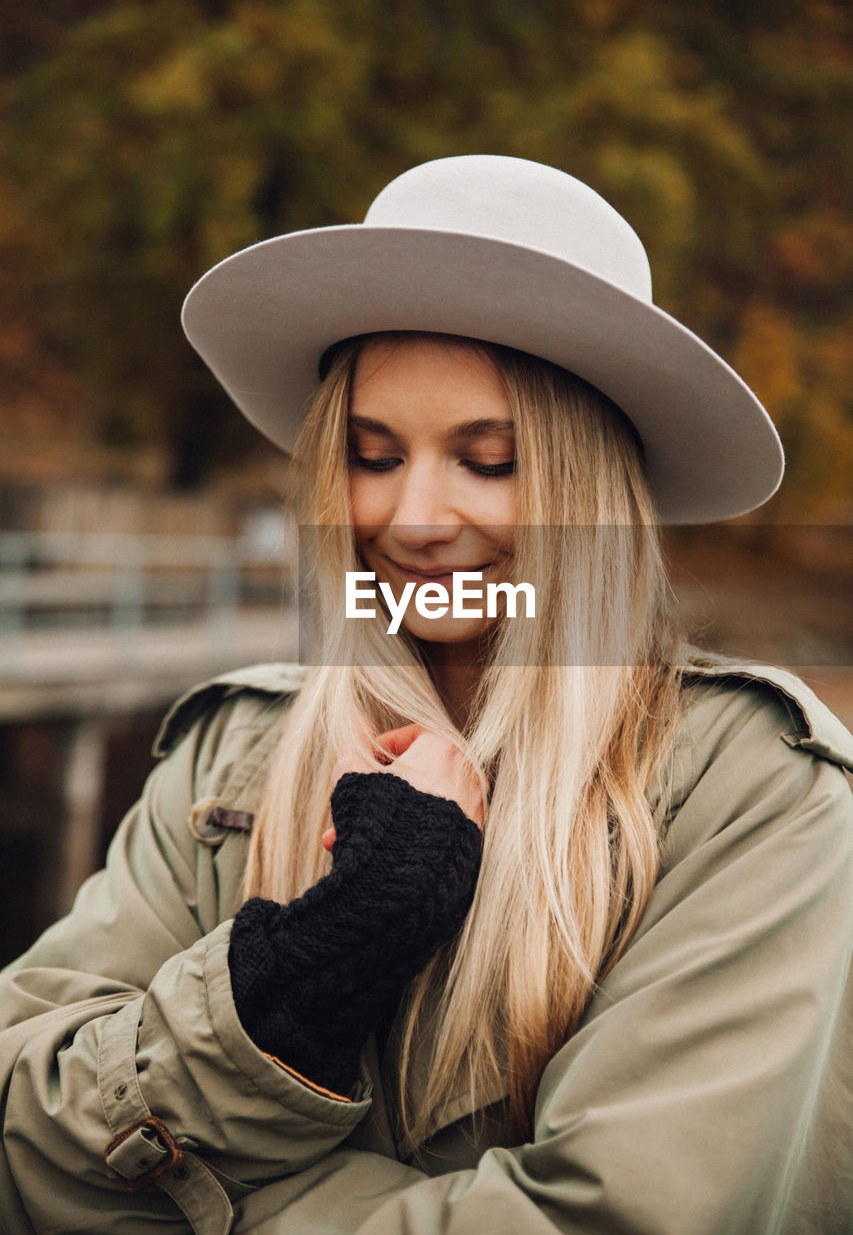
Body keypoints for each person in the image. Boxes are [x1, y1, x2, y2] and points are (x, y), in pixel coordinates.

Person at [0, 155, 851, 1235]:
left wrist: (191, 1194)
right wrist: (283, 987)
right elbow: (20, 1132)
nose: (414, 516)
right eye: (372, 452)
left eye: (487, 460)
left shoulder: (752, 788)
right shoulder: (228, 758)